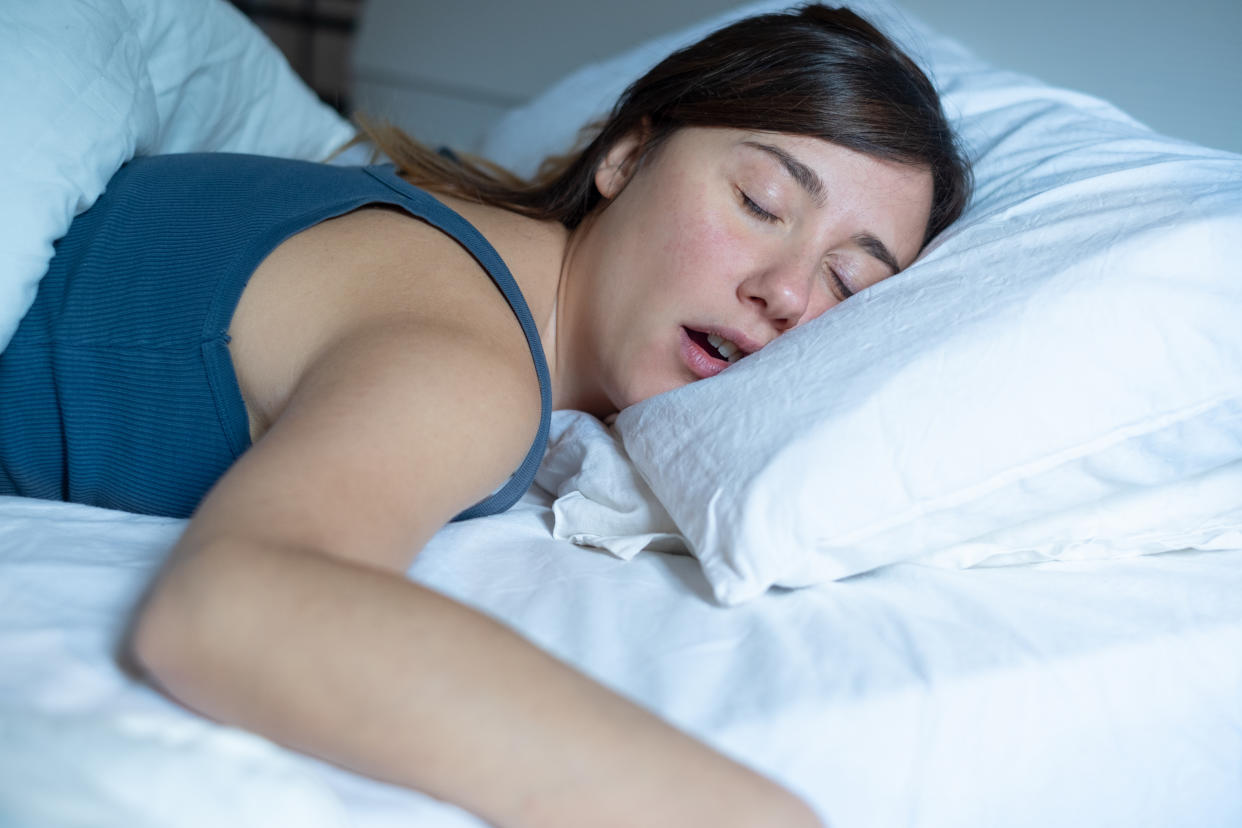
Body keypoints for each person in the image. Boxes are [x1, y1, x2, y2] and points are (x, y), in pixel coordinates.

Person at [0, 4, 970, 826]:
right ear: (626, 157)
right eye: (761, 202)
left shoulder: (449, 222)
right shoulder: (469, 359)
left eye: (848, 280)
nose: (787, 292)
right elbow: (226, 612)